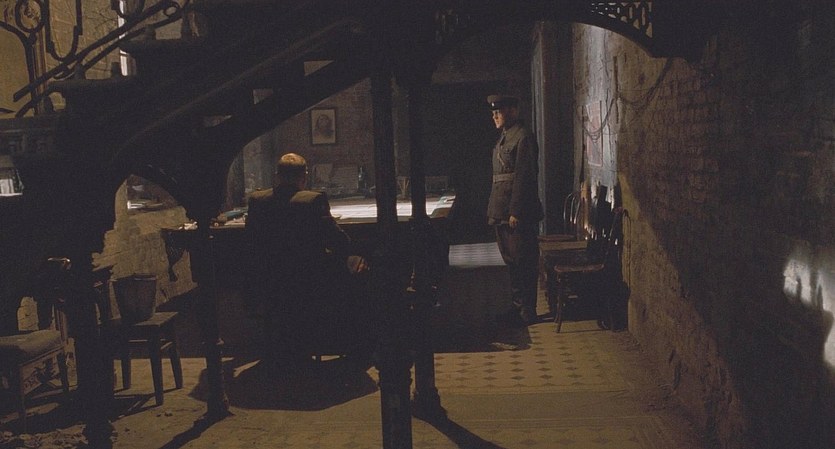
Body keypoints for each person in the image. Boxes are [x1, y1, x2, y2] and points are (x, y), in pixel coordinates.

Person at [246, 153, 369, 364]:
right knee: (359, 268)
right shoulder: (313, 200)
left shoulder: (257, 201)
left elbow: (251, 241)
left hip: (269, 279)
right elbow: (338, 242)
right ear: (304, 177)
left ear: (277, 176)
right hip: (309, 281)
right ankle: (353, 342)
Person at [485, 94, 544, 326]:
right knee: (511, 262)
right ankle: (518, 306)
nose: (494, 116)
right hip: (501, 209)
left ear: (513, 111)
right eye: (493, 112)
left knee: (523, 261)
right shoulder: (505, 136)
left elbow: (524, 177)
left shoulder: (522, 137)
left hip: (515, 212)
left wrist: (516, 211)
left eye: (498, 112)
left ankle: (527, 310)